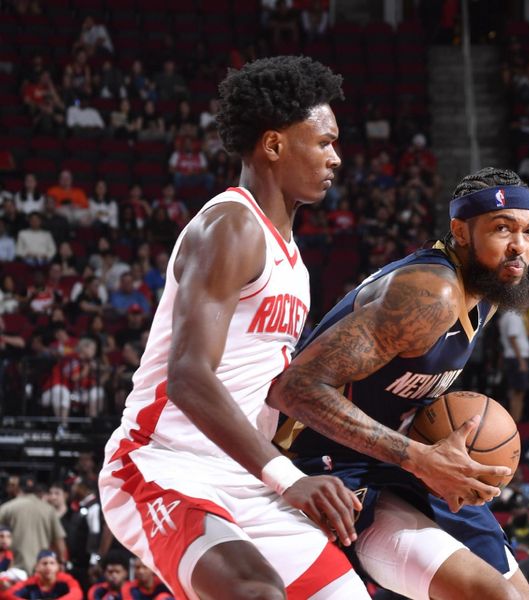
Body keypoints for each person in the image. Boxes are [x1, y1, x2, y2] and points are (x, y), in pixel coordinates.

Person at [98, 56, 370, 600]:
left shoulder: (293, 260)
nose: (335, 157)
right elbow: (189, 377)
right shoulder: (231, 226)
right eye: (323, 142)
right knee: (254, 592)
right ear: (273, 145)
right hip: (163, 465)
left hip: (246, 476)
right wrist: (291, 479)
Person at [269, 167, 529, 599]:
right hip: (326, 463)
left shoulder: (487, 287)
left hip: (397, 459)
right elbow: (294, 389)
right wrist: (421, 458)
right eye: (502, 229)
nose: (518, 247)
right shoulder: (430, 294)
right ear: (460, 231)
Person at [0, 476, 66, 575]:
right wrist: (61, 562)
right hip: (42, 570)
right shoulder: (48, 510)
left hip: (13, 570)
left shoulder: (7, 508)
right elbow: (59, 542)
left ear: (18, 488)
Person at [1, 550, 81, 599]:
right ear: (37, 567)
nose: (48, 566)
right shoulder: (30, 583)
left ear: (58, 567)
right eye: (44, 563)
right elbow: (6, 596)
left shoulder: (65, 580)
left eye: (52, 563)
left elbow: (77, 594)